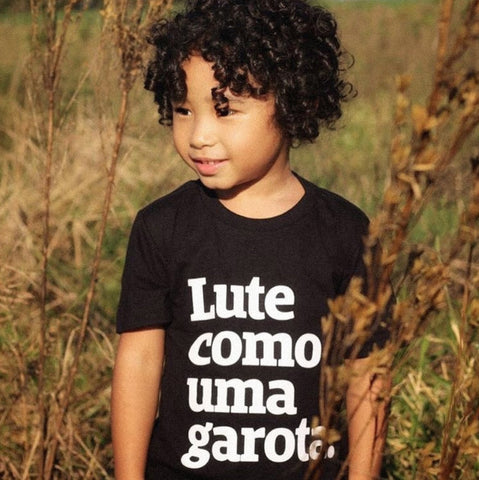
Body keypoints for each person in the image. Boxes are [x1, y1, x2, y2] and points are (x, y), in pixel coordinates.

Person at [111, 1, 390, 479]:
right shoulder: (161, 228)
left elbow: (368, 377)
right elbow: (138, 365)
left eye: (225, 110)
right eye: (183, 110)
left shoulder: (348, 234)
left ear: (293, 101)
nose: (199, 135)